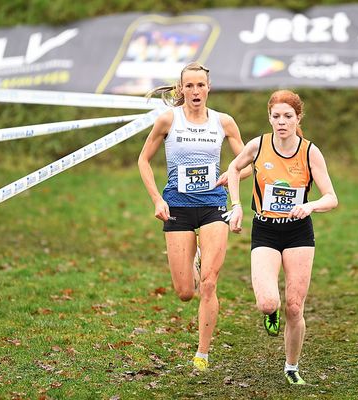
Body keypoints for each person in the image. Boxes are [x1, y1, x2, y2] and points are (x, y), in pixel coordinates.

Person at [137, 62, 250, 372]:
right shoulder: (167, 121)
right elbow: (143, 161)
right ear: (181, 89)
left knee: (210, 285)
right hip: (177, 208)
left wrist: (231, 173)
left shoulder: (224, 122)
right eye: (190, 86)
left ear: (208, 88)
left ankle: (202, 353)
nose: (196, 91)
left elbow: (248, 161)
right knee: (185, 292)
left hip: (214, 205)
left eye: (201, 85)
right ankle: (194, 260)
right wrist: (157, 199)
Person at [226, 89, 338, 385]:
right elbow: (234, 168)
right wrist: (236, 205)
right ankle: (269, 312)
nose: (281, 122)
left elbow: (331, 198)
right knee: (267, 303)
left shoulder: (310, 151)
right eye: (276, 116)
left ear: (298, 118)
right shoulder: (258, 145)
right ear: (270, 117)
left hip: (299, 231)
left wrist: (309, 205)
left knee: (295, 306)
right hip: (265, 229)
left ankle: (291, 367)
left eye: (288, 116)